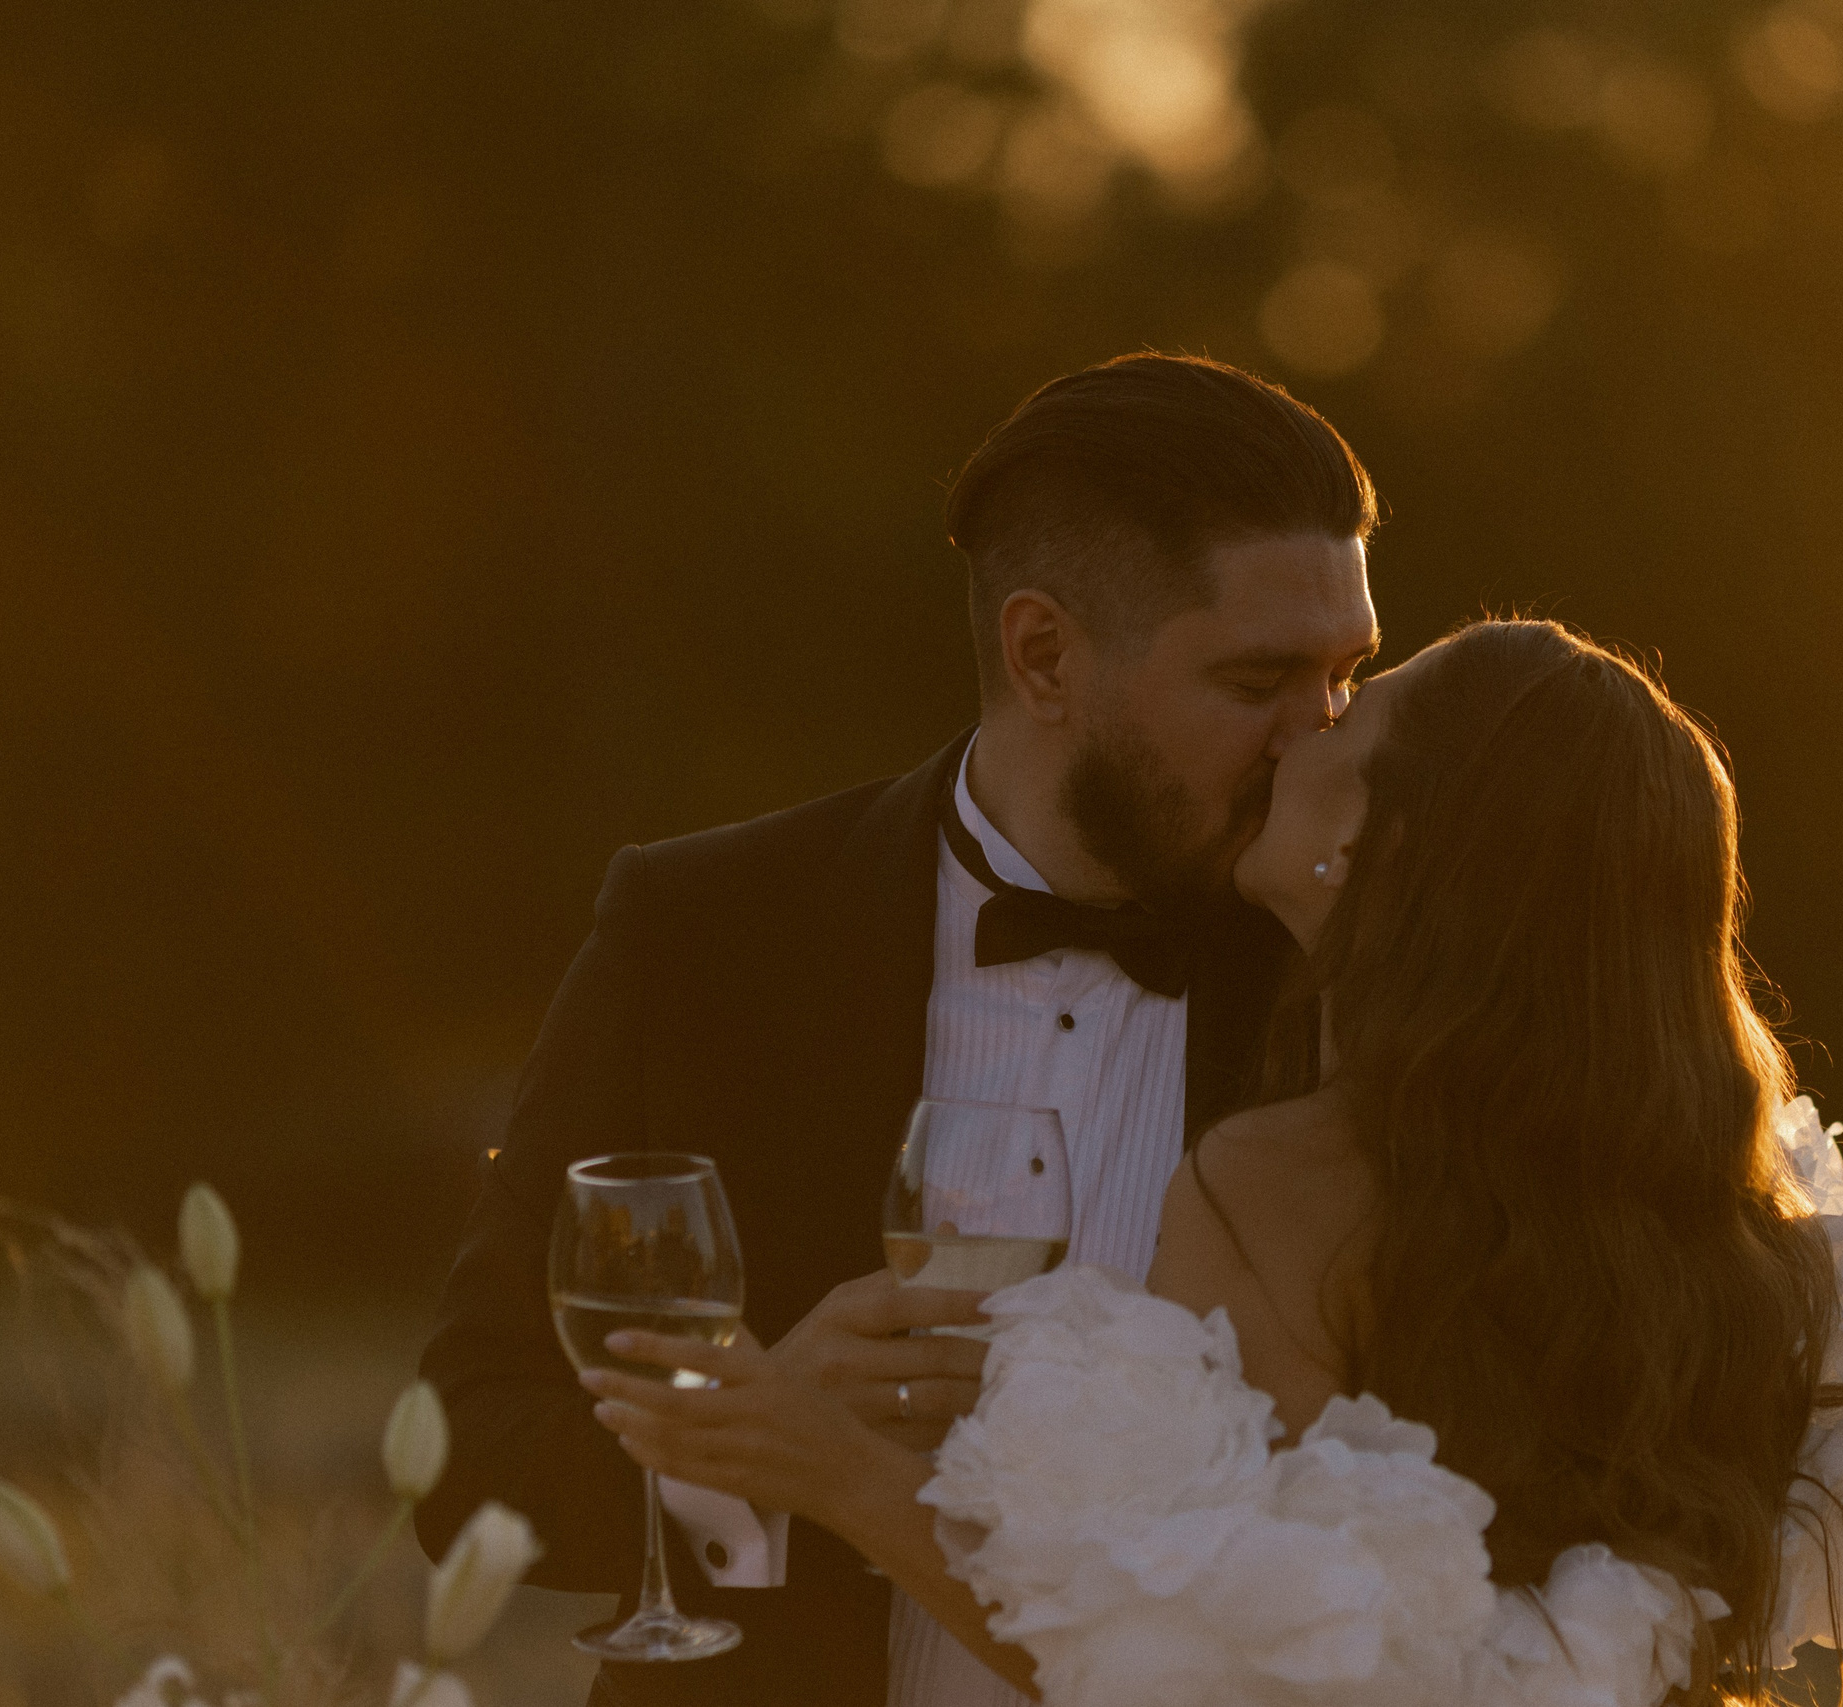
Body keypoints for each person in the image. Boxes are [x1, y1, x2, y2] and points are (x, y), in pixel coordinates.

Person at [579, 620, 1843, 1704]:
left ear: (1385, 844)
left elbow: (1164, 1652)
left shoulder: (1273, 1186)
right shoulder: (1728, 1217)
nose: (1307, 728)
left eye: (1356, 713)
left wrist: (827, 1463)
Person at [413, 352, 1383, 1707]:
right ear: (1044, 654)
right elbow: (465, 1451)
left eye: (1349, 675)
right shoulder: (708, 931)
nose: (1324, 739)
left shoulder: (1361, 985)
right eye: (1259, 682)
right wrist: (738, 1449)